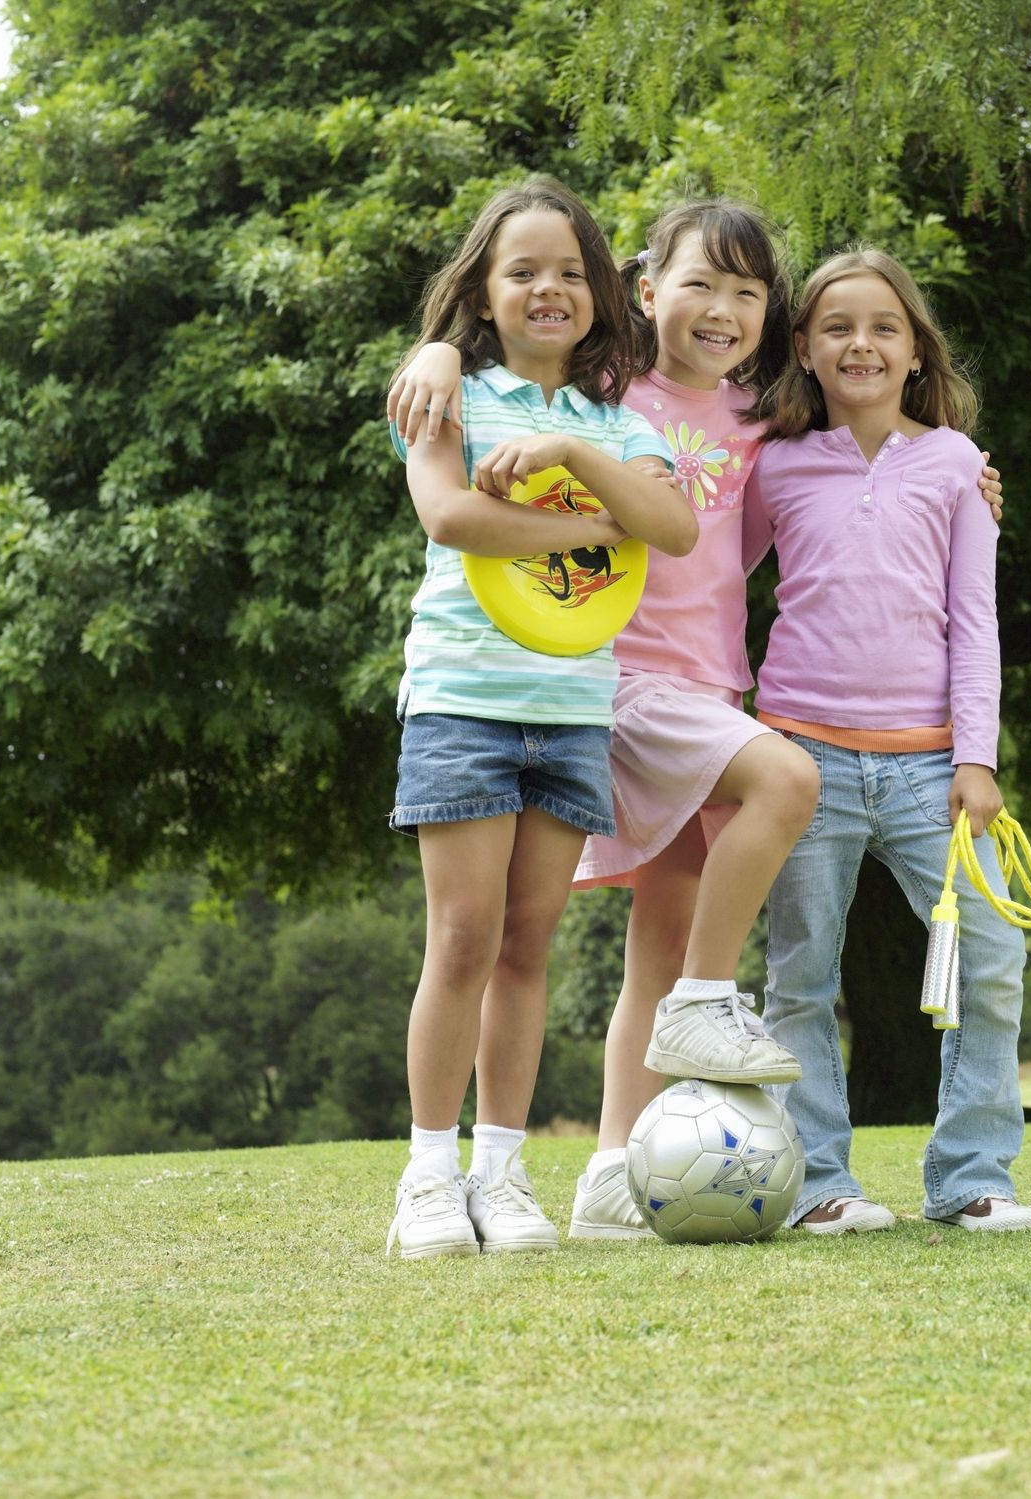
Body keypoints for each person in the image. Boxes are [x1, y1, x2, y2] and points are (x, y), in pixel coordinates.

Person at [389, 203, 1005, 1241]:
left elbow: (783, 515)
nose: (719, 310)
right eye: (697, 285)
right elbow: (512, 358)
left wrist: (950, 469)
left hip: (709, 687)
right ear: (642, 290)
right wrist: (439, 351)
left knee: (661, 937)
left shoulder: (766, 426)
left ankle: (610, 1172)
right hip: (619, 685)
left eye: (746, 293)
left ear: (773, 319)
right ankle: (700, 1013)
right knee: (777, 788)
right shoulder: (604, 394)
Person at [383, 176, 699, 1259]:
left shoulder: (617, 424)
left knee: (529, 946)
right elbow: (450, 513)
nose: (549, 288)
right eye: (524, 270)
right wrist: (590, 532)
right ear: (482, 290)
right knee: (462, 938)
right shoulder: (450, 396)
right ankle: (428, 1174)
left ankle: (502, 1171)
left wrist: (573, 463)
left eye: (571, 271)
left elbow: (675, 528)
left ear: (604, 295)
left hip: (571, 713)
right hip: (464, 703)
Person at [744, 248, 1031, 1234]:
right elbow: (705, 572)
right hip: (800, 760)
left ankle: (968, 1174)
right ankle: (818, 1180)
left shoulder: (958, 464)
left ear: (915, 350)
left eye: (883, 326)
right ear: (804, 348)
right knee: (799, 975)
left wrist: (976, 756)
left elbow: (974, 619)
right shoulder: (772, 463)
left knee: (990, 955)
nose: (860, 343)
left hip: (930, 769)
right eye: (837, 327)